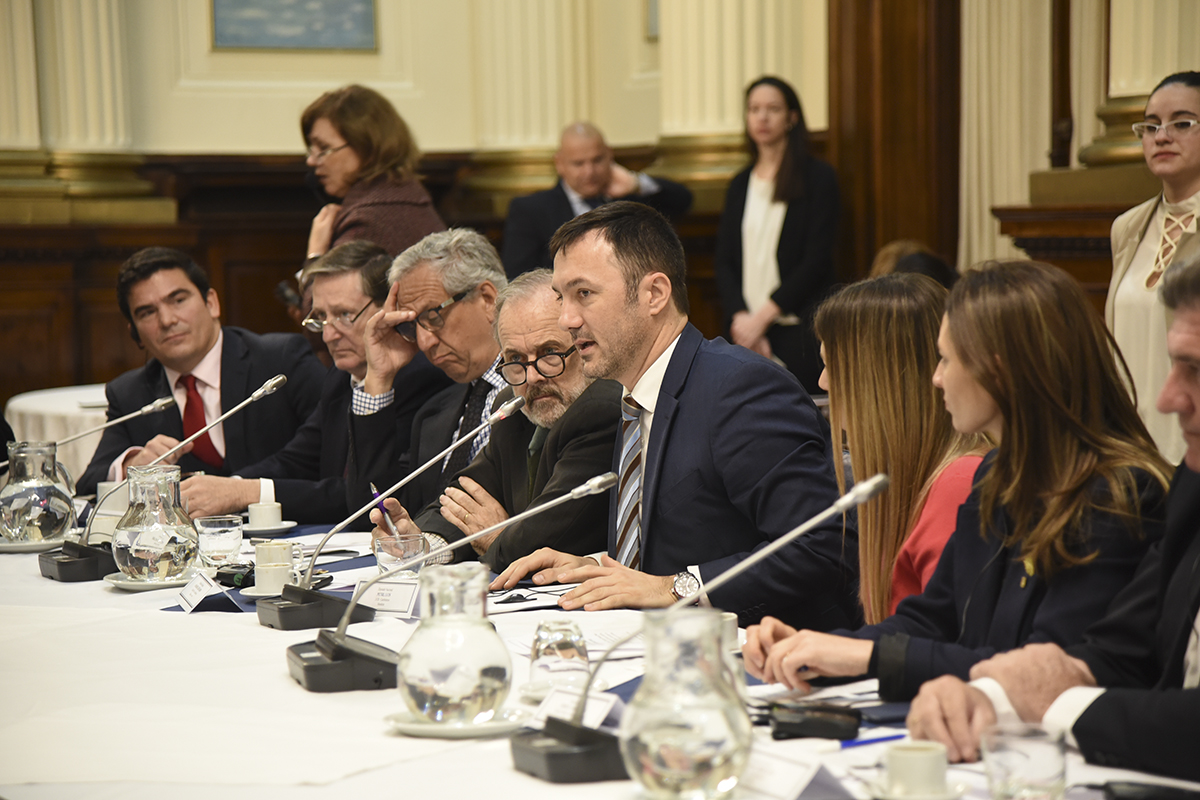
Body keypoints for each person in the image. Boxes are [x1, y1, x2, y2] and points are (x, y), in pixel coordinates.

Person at [742, 260, 1172, 701]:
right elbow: (931, 618)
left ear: (998, 371)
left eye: (947, 358)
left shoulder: (1117, 494)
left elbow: (1040, 668)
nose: (936, 376)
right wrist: (820, 648)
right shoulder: (996, 475)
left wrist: (863, 657)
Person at [490, 201, 859, 630]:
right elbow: (677, 550)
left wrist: (675, 588)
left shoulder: (739, 389)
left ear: (654, 294)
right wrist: (593, 567)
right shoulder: (635, 397)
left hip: (766, 658)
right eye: (561, 298)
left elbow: (820, 545)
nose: (567, 319)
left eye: (584, 294)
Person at [907, 256, 1200, 782]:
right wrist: (984, 696)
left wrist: (1051, 702)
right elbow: (1114, 654)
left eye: (1195, 370)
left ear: (999, 368)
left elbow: (1059, 665)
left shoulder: (1122, 491)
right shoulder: (1193, 493)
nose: (1167, 397)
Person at [178, 242, 451, 525]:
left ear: (389, 310)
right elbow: (298, 459)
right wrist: (226, 487)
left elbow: (371, 499)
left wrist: (247, 493)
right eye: (321, 317)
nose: (329, 335)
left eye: (345, 314)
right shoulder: (340, 376)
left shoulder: (423, 377)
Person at [369, 269, 621, 571]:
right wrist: (420, 542)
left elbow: (546, 541)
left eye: (550, 352)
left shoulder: (601, 407)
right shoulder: (512, 408)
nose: (532, 377)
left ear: (584, 345)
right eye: (515, 360)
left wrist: (498, 537)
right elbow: (465, 494)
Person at [77, 248, 326, 497]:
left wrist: (238, 489)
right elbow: (89, 484)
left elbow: (325, 448)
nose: (167, 320)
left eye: (178, 300)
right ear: (135, 334)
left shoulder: (280, 360)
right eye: (147, 312)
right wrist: (132, 465)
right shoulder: (130, 393)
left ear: (211, 303)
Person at [813, 274, 986, 624]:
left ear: (878, 380)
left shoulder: (959, 481)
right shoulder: (902, 478)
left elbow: (942, 644)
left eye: (833, 367)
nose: (822, 382)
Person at [348, 229, 509, 517]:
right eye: (411, 327)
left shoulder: (539, 389)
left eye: (433, 316)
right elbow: (376, 512)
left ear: (487, 299)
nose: (424, 342)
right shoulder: (435, 412)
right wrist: (379, 377)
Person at [713, 76, 840, 394]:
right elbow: (725, 260)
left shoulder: (818, 178)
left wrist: (763, 320)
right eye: (754, 109)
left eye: (772, 109)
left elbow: (816, 260)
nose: (762, 117)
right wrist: (743, 320)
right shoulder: (740, 184)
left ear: (791, 118)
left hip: (797, 329)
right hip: (744, 332)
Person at [1106, 71, 1200, 464]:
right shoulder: (1126, 227)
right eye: (1151, 125)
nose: (1161, 136)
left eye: (1181, 123)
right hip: (1129, 449)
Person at [501, 122, 693, 279]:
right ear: (559, 164)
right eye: (578, 163)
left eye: (597, 160)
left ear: (609, 155)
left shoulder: (628, 198)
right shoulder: (531, 210)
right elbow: (519, 278)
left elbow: (683, 199)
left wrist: (636, 183)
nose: (589, 172)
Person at [302, 84, 446, 261]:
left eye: (324, 148)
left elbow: (326, 290)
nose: (312, 160)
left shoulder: (368, 222)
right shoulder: (404, 195)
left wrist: (315, 253)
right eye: (312, 149)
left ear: (366, 147)